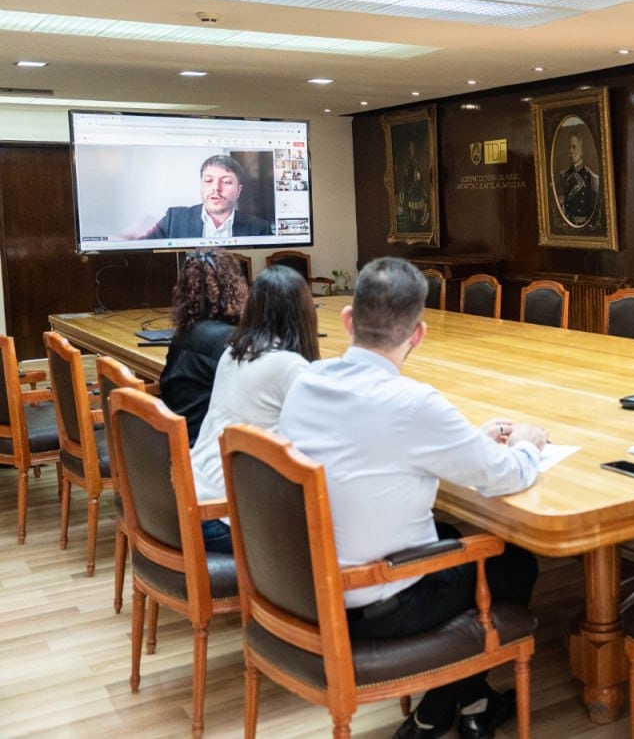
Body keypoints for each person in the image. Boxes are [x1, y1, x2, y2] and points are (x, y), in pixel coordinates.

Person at [276, 257, 548, 739]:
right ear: (419, 334)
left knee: (448, 534)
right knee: (515, 563)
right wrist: (527, 442)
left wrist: (463, 439)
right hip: (380, 602)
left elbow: (379, 451)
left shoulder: (305, 386)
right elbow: (504, 475)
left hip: (305, 589)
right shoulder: (415, 404)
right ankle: (438, 708)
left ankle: (471, 699)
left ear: (347, 321)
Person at [187, 266, 320, 554]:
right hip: (221, 517)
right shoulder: (289, 367)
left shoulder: (233, 352)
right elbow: (325, 438)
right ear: (303, 313)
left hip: (189, 499)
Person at [159, 250, 247, 442]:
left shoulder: (183, 334)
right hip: (205, 450)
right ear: (233, 287)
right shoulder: (229, 341)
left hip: (175, 442)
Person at [142, 154, 273, 239]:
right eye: (208, 181)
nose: (216, 188)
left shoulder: (259, 228)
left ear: (239, 191)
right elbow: (142, 249)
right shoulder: (174, 219)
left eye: (226, 182)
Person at [557, 132, 600, 227]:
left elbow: (596, 208)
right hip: (568, 224)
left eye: (574, 147)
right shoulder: (563, 175)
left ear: (581, 151)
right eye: (569, 147)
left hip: (584, 225)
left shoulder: (591, 177)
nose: (570, 151)